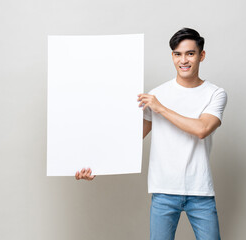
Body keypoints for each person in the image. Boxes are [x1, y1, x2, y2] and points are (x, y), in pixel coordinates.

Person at [75, 28, 227, 240]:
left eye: (190, 53)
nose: (184, 60)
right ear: (172, 56)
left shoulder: (215, 93)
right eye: (178, 54)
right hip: (163, 191)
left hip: (200, 191)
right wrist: (95, 166)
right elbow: (131, 140)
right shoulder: (157, 94)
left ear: (201, 55)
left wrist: (161, 109)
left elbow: (202, 129)